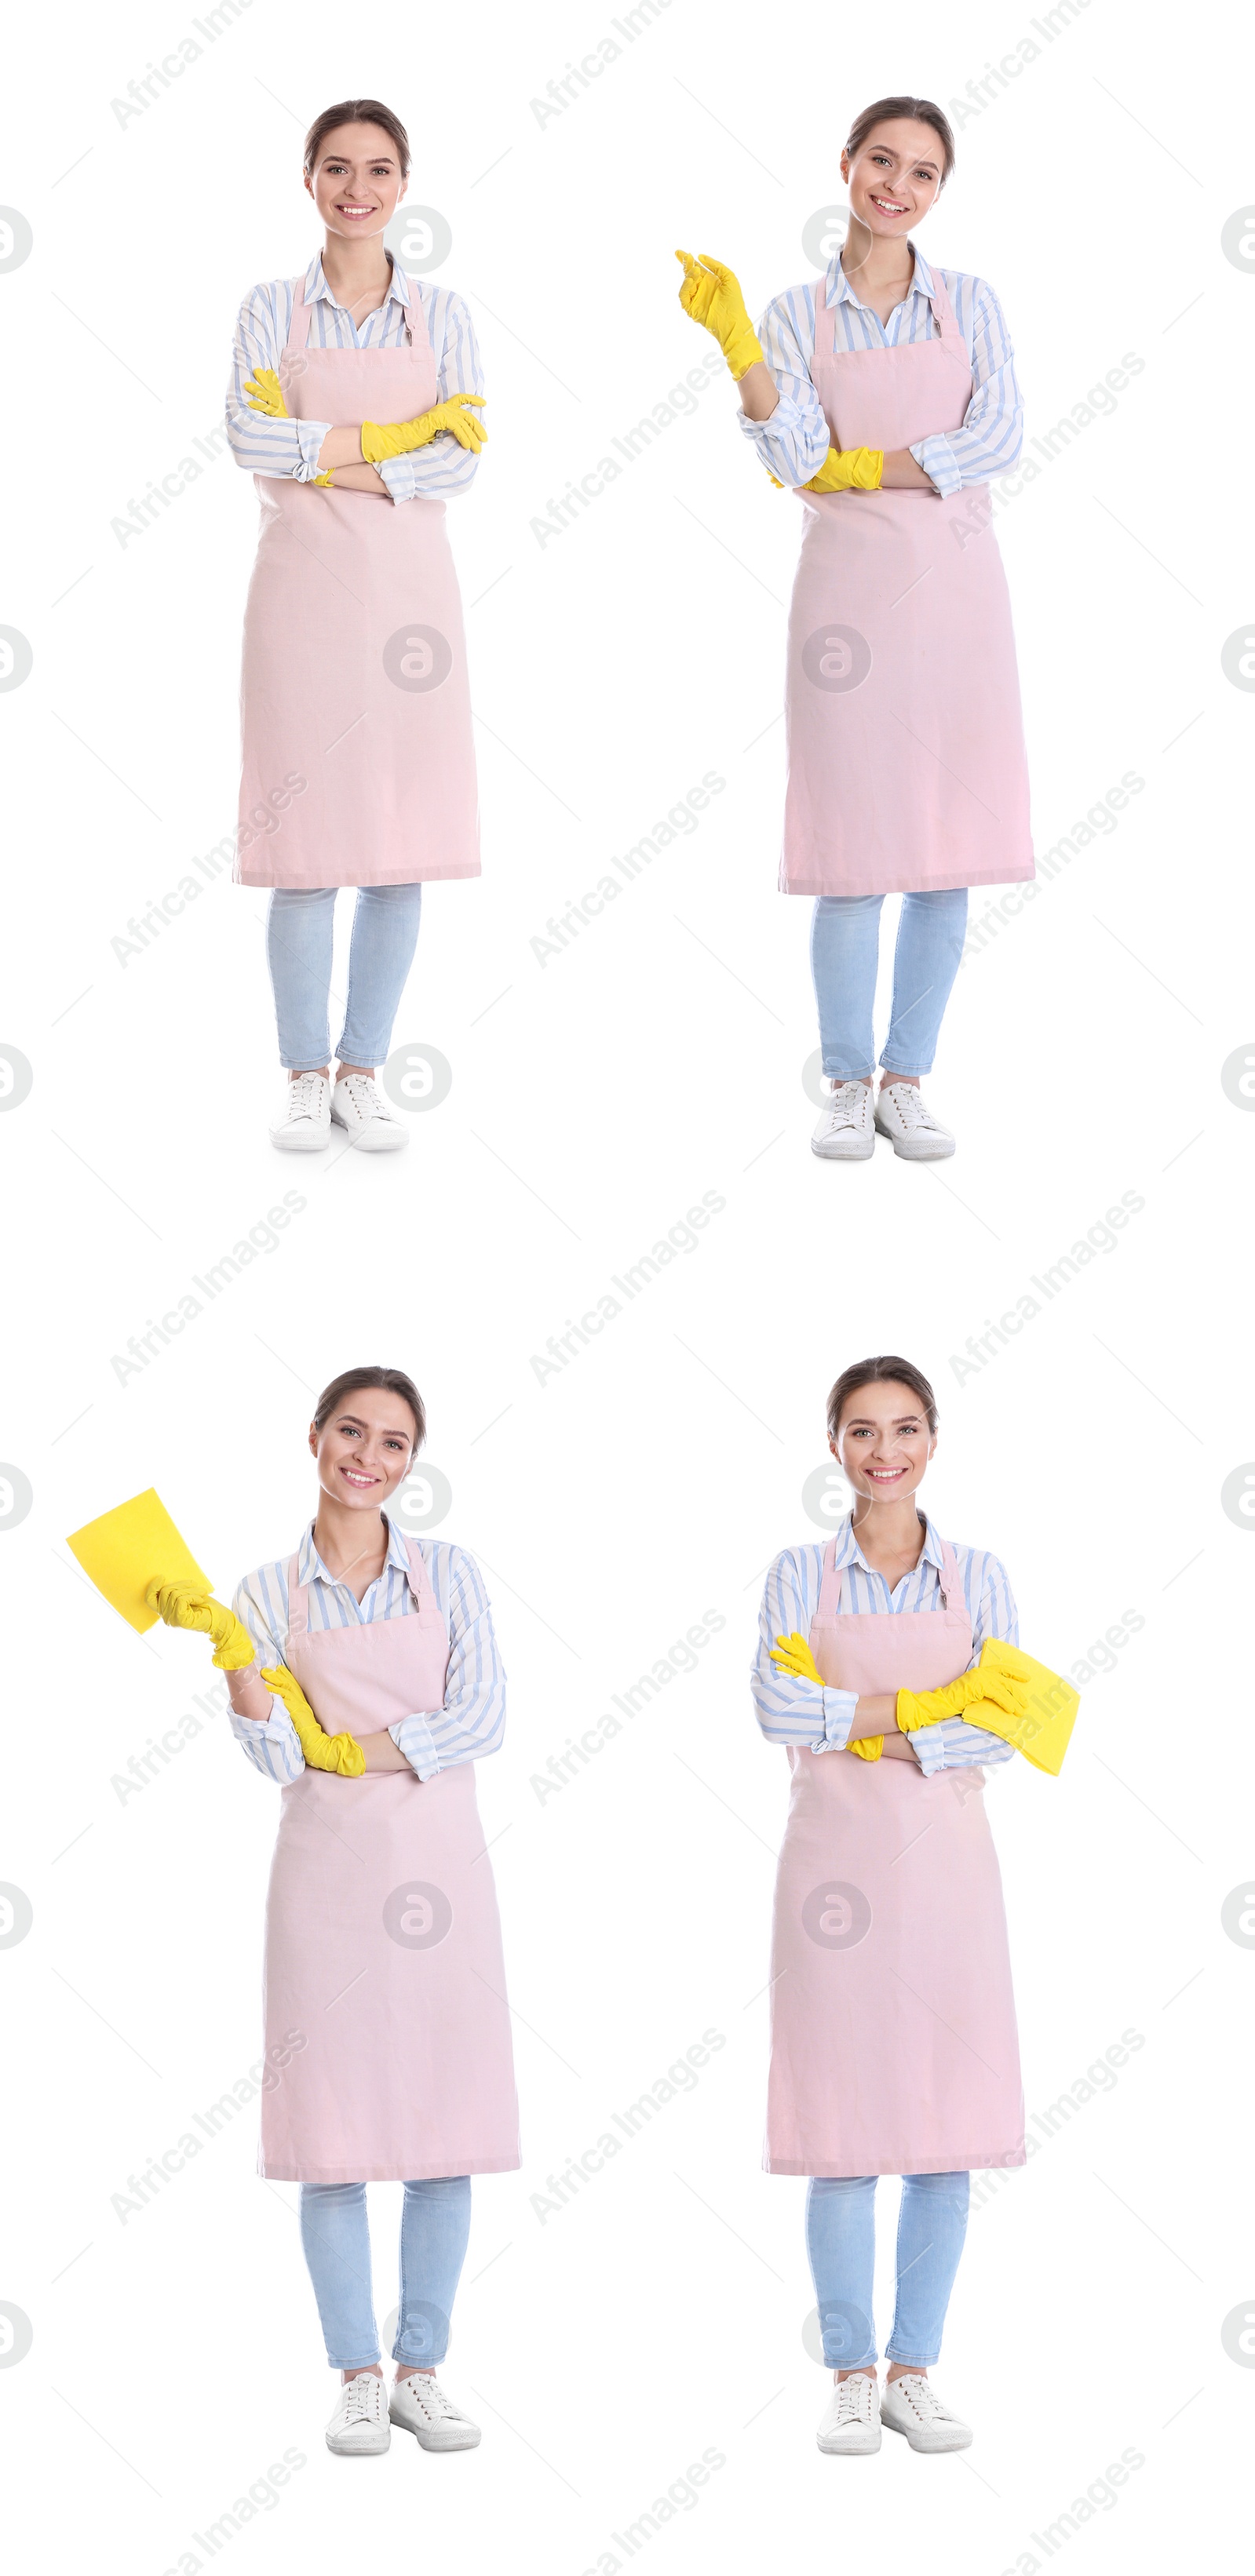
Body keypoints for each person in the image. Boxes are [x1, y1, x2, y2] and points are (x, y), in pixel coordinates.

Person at [149, 1365, 519, 2458]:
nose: (369, 1456)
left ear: (414, 1462)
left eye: (394, 1443)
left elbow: (484, 1713)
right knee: (334, 2138)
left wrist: (365, 1749)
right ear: (312, 1439)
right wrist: (236, 1669)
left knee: (445, 2130)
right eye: (351, 1432)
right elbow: (273, 1755)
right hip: (325, 1882)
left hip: (442, 1879)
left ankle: (423, 2370)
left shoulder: (449, 1573)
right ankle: (358, 2375)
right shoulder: (263, 1595)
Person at [677, 96, 1033, 1164]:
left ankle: (907, 1081)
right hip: (845, 609)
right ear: (846, 164)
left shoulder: (970, 301)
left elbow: (999, 435)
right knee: (849, 853)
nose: (897, 185)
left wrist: (863, 465)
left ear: (939, 191)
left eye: (922, 172)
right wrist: (740, 348)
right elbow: (790, 455)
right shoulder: (794, 315)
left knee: (941, 852)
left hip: (959, 601)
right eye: (882, 160)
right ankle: (844, 1083)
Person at [751, 1354, 1027, 2454]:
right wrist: (927, 1713)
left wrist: (863, 1720)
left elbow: (1005, 1720)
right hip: (832, 1876)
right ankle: (851, 2373)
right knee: (841, 2130)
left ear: (932, 1442)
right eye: (862, 1431)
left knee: (942, 2131)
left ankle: (915, 2370)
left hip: (949, 1879)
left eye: (904, 1429)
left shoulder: (981, 1576)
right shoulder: (795, 1576)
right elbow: (777, 1705)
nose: (884, 1452)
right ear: (835, 1447)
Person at [227, 100, 486, 1154]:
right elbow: (246, 433)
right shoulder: (267, 310)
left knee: (396, 842)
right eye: (337, 168)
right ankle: (301, 1072)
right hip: (300, 603)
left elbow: (464, 456)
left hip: (412, 608)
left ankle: (363, 1069)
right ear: (308, 181)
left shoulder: (444, 315)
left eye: (378, 170)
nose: (357, 189)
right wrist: (390, 444)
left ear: (403, 185)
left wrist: (326, 452)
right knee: (303, 846)